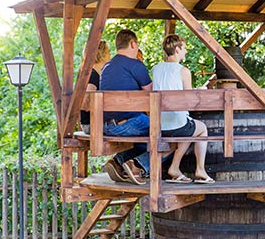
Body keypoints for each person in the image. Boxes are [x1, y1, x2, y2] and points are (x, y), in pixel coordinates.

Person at [151, 34, 214, 184]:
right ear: (177, 49)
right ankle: (199, 169)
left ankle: (174, 168)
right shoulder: (183, 71)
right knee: (201, 129)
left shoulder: (156, 69)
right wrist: (201, 91)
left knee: (189, 127)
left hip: (159, 124)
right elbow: (190, 100)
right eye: (184, 48)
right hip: (177, 123)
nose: (186, 52)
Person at [100, 29, 152, 185]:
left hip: (106, 126)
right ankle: (137, 165)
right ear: (132, 43)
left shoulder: (106, 67)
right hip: (129, 123)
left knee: (146, 139)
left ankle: (118, 162)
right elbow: (152, 94)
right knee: (168, 133)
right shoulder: (136, 65)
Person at [80, 40, 110, 134]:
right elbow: (85, 104)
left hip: (96, 122)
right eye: (108, 52)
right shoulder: (92, 75)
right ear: (102, 54)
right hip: (91, 124)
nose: (110, 55)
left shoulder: (97, 73)